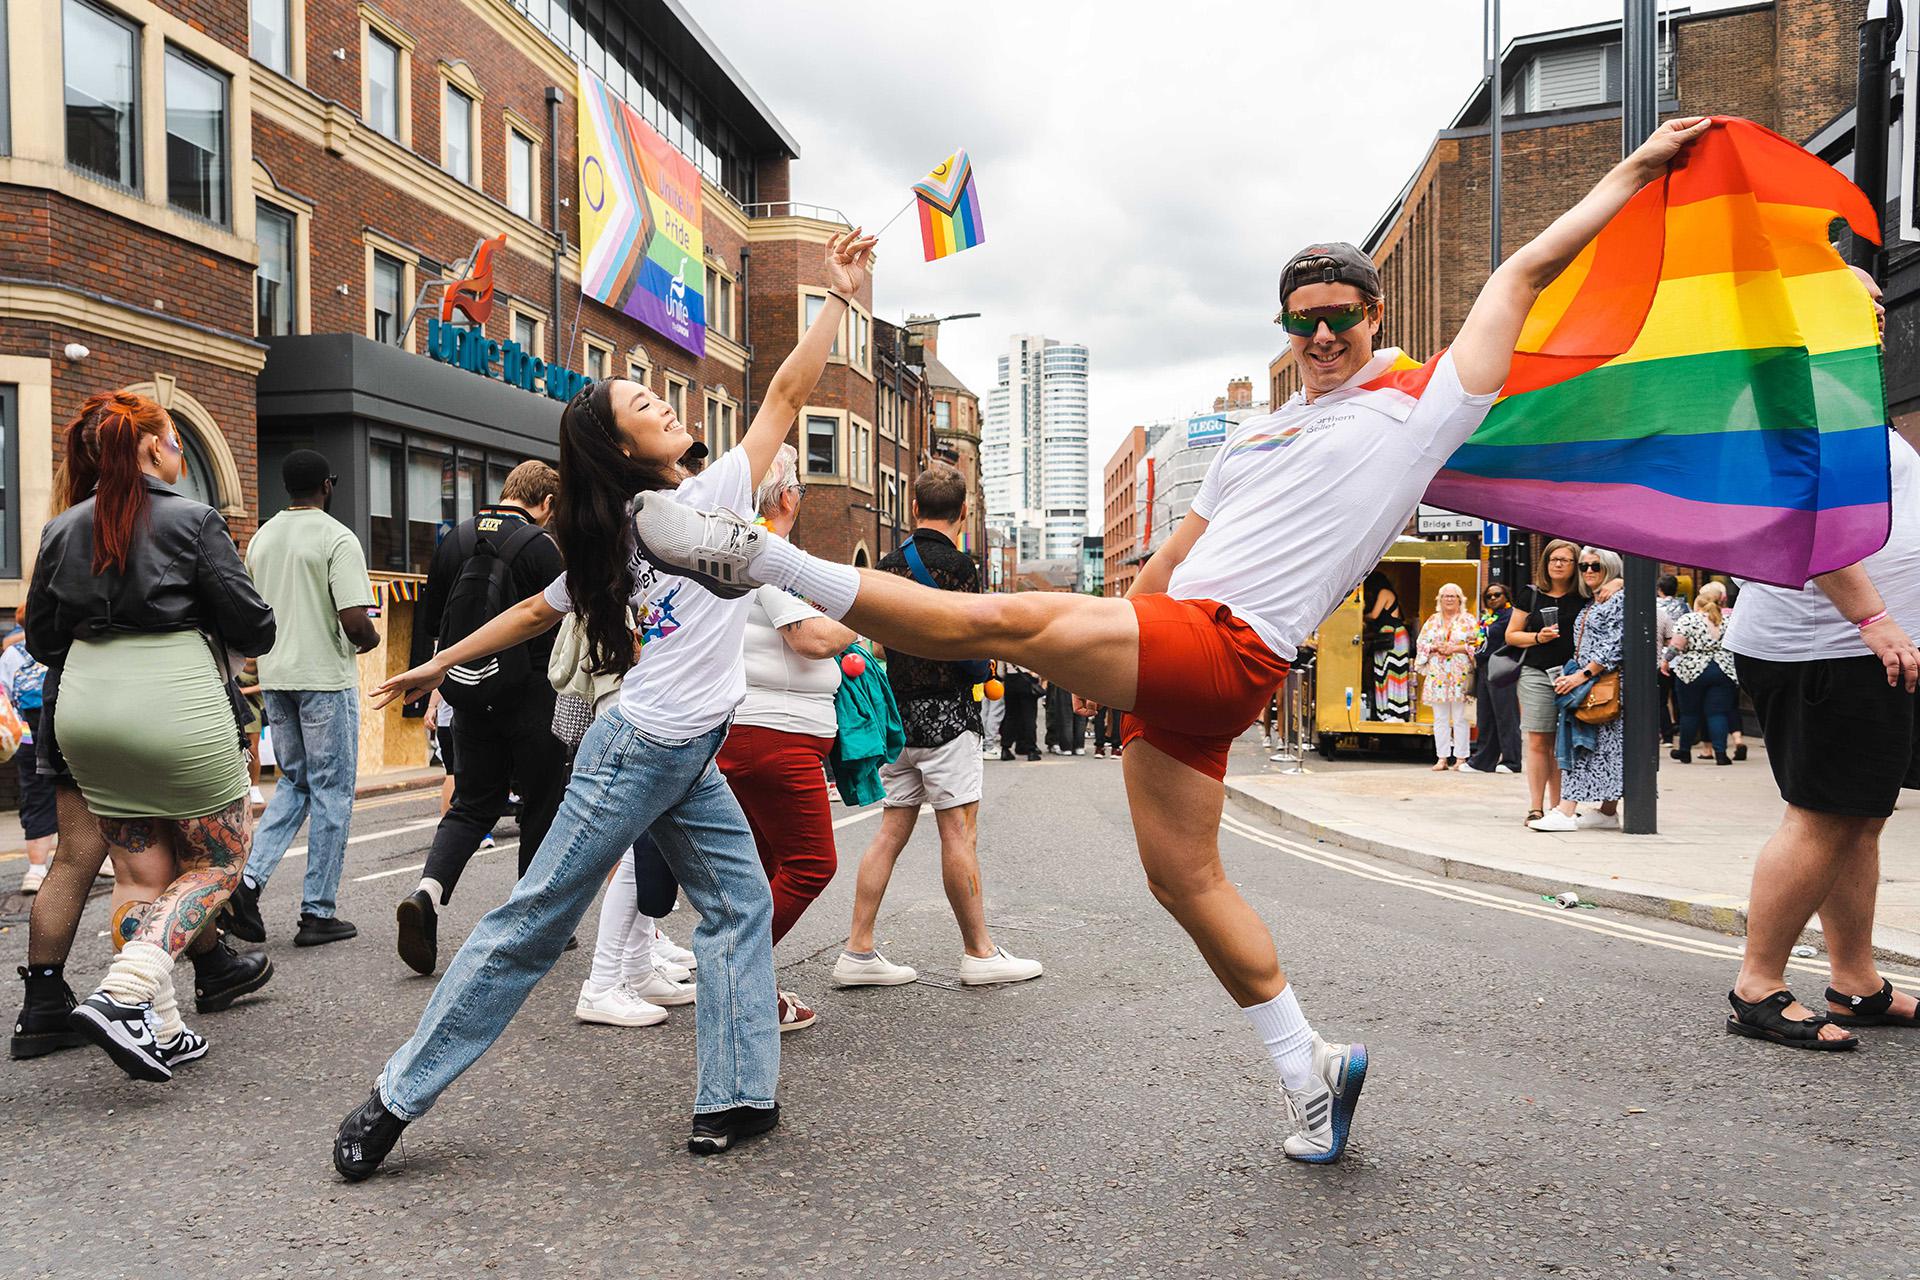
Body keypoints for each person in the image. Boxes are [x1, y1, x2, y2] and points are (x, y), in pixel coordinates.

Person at [627, 118, 1718, 1163]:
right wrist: (1116, 657)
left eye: (1342, 314)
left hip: (1232, 644)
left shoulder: (1427, 407)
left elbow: (1521, 272)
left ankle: (750, 554)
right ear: (1285, 330)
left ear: (1375, 314)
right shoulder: (1258, 433)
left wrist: (1637, 172)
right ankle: (1309, 1071)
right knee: (1184, 880)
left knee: (1003, 615)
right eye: (1303, 321)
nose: (1324, 334)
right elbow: (1170, 557)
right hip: (1178, 646)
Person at [331, 229, 878, 1178]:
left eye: (657, 394)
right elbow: (785, 397)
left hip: (687, 752)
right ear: (620, 446)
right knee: (531, 923)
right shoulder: (673, 508)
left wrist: (433, 663)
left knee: (740, 905)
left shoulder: (656, 513)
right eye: (643, 404)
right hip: (639, 749)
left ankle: (737, 1099)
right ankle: (392, 1098)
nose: (664, 402)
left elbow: (532, 616)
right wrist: (434, 665)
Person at [25, 390, 278, 1081]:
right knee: (218, 866)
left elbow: (44, 638)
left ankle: (161, 1027)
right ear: (150, 447)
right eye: (171, 441)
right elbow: (255, 626)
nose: (176, 454)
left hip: (86, 712)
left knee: (138, 872)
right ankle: (125, 992)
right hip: (176, 707)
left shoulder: (61, 529)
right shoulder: (193, 520)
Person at [1721, 266, 1920, 1051]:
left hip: (1859, 644)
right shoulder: (1794, 399)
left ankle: (1856, 981)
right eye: (1856, 300)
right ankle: (1757, 983)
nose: (1877, 311)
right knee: (1823, 815)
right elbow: (1809, 524)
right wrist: (1874, 618)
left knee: (1858, 820)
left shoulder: (1841, 393)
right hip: (1825, 646)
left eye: (1875, 300)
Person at [832, 463, 1043, 989]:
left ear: (913, 508)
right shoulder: (961, 567)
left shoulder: (886, 565)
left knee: (889, 832)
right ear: (964, 510)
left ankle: (857, 951)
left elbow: (876, 643)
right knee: (958, 833)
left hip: (899, 721)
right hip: (950, 716)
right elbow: (973, 637)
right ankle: (979, 953)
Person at [394, 461, 566, 976]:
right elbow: (558, 624)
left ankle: (427, 892)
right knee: (540, 804)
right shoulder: (541, 547)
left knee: (472, 804)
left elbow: (431, 627)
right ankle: (528, 923)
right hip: (533, 696)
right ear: (548, 505)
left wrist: (428, 692)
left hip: (466, 694)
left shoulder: (453, 540)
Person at [715, 443, 856, 1031]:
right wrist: (861, 624)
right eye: (800, 487)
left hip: (763, 731)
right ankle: (731, 977)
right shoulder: (765, 554)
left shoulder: (751, 551)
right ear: (790, 496)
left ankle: (748, 984)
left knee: (763, 866)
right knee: (810, 864)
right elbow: (809, 639)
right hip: (776, 736)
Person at [225, 452, 379, 947]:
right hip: (324, 680)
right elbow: (355, 620)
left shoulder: (262, 538)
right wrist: (371, 641)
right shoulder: (337, 538)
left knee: (295, 781)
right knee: (333, 789)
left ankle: (246, 885)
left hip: (276, 675)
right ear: (327, 486)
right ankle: (317, 912)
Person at [1528, 550, 1624, 831]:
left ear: (1610, 568)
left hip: (1601, 682)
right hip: (1593, 681)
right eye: (1584, 566)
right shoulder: (1595, 598)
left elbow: (1615, 645)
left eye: (1596, 565)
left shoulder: (1616, 597)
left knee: (1582, 745)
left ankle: (1567, 810)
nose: (1589, 570)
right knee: (1603, 749)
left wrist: (1581, 676)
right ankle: (1607, 811)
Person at [1505, 539, 1587, 825]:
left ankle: (1560, 807)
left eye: (1565, 560)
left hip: (1574, 677)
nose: (1558, 564)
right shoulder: (1531, 595)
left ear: (1575, 565)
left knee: (1565, 742)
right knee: (1540, 739)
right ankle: (1536, 807)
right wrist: (1538, 637)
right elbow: (1511, 635)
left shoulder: (1584, 597)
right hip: (1537, 672)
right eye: (1553, 559)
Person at [3, 602, 57, 892]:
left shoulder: (13, 652)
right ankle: (104, 859)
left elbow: (5, 694)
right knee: (84, 792)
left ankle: (36, 870)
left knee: (35, 794)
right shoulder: (61, 642)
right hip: (63, 724)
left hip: (27, 733)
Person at [1670, 590, 1739, 766]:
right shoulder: (1728, 620)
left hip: (1692, 670)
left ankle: (1684, 751)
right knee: (1717, 713)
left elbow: (1676, 646)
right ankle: (1721, 754)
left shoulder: (1689, 619)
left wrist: (1665, 662)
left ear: (1698, 605)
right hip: (1722, 668)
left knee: (1689, 713)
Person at [1415, 582, 1478, 770]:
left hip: (1460, 673)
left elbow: (1477, 644)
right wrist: (1435, 647)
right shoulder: (1433, 620)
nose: (1449, 599)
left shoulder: (1468, 620)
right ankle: (1441, 758)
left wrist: (1455, 648)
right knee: (1440, 718)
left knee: (1460, 718)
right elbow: (1420, 643)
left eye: (1453, 596)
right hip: (1439, 674)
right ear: (1440, 600)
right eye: (1445, 596)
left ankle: (1461, 758)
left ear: (1460, 600)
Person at [1461, 584, 1521, 774]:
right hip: (1484, 667)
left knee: (1506, 715)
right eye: (1489, 596)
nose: (1493, 598)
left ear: (1506, 595)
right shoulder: (1488, 617)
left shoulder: (1511, 615)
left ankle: (1512, 761)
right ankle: (1483, 761)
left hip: (1503, 667)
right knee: (1485, 715)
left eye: (1497, 594)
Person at [1693, 580, 1746, 760]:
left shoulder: (1697, 618)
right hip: (1729, 667)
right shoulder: (1732, 616)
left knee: (1709, 710)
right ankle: (1737, 740)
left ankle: (1709, 749)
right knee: (1729, 707)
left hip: (1700, 668)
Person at [1361, 571, 1412, 722]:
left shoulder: (1384, 592)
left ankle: (1395, 712)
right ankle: (1389, 712)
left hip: (1393, 637)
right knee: (1388, 674)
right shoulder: (1388, 592)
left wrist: (1361, 615)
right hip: (1392, 636)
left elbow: (1375, 615)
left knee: (1392, 674)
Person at [1655, 573, 1688, 746]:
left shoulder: (1654, 607)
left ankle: (1666, 734)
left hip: (1661, 658)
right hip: (1679, 658)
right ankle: (1682, 728)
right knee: (1677, 696)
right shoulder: (1684, 606)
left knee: (1660, 699)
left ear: (1659, 589)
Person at [998, 666, 1041, 761]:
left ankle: (1005, 748)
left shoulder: (1006, 650)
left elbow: (1000, 672)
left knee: (1011, 716)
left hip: (1010, 679)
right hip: (1027, 678)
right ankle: (1031, 750)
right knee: (1029, 716)